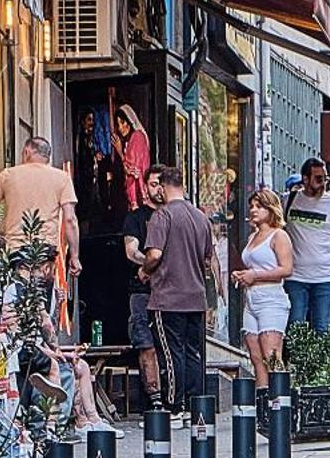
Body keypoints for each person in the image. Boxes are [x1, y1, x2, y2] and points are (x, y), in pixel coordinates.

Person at [140, 166, 216, 422]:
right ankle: (196, 406)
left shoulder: (162, 216)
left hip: (168, 297)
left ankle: (174, 406)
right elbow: (207, 258)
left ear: (162, 187)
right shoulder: (200, 217)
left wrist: (144, 270)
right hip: (196, 296)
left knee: (172, 354)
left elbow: (154, 255)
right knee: (193, 352)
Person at [231, 189, 294, 398]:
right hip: (251, 298)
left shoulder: (279, 235)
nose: (253, 210)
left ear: (271, 209)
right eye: (252, 206)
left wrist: (254, 275)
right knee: (255, 355)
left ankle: (280, 400)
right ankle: (263, 401)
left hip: (271, 298)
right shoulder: (252, 237)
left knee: (271, 353)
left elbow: (286, 269)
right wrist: (242, 275)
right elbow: (252, 266)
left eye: (259, 206)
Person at [0, 137, 78, 276]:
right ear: (47, 157)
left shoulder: (8, 176)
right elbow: (70, 219)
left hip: (16, 249)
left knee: (17, 293)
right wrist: (74, 256)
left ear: (27, 152)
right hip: (45, 251)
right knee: (42, 294)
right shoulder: (62, 178)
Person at [283, 158, 330, 332]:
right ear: (305, 179)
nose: (323, 184)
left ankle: (318, 360)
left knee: (321, 327)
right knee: (295, 324)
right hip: (294, 275)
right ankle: (294, 360)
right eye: (318, 179)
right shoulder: (289, 200)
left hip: (324, 276)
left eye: (325, 179)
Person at [121, 166, 164, 402]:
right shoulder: (136, 218)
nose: (157, 189)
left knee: (170, 346)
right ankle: (154, 397)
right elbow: (131, 251)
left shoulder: (174, 216)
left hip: (170, 291)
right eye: (153, 184)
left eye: (161, 184)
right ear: (146, 187)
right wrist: (148, 264)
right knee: (145, 344)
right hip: (142, 292)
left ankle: (175, 399)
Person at [114, 105, 152, 212]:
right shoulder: (131, 140)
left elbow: (131, 169)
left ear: (130, 121)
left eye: (123, 122)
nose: (120, 128)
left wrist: (120, 152)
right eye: (118, 124)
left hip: (138, 196)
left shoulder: (137, 136)